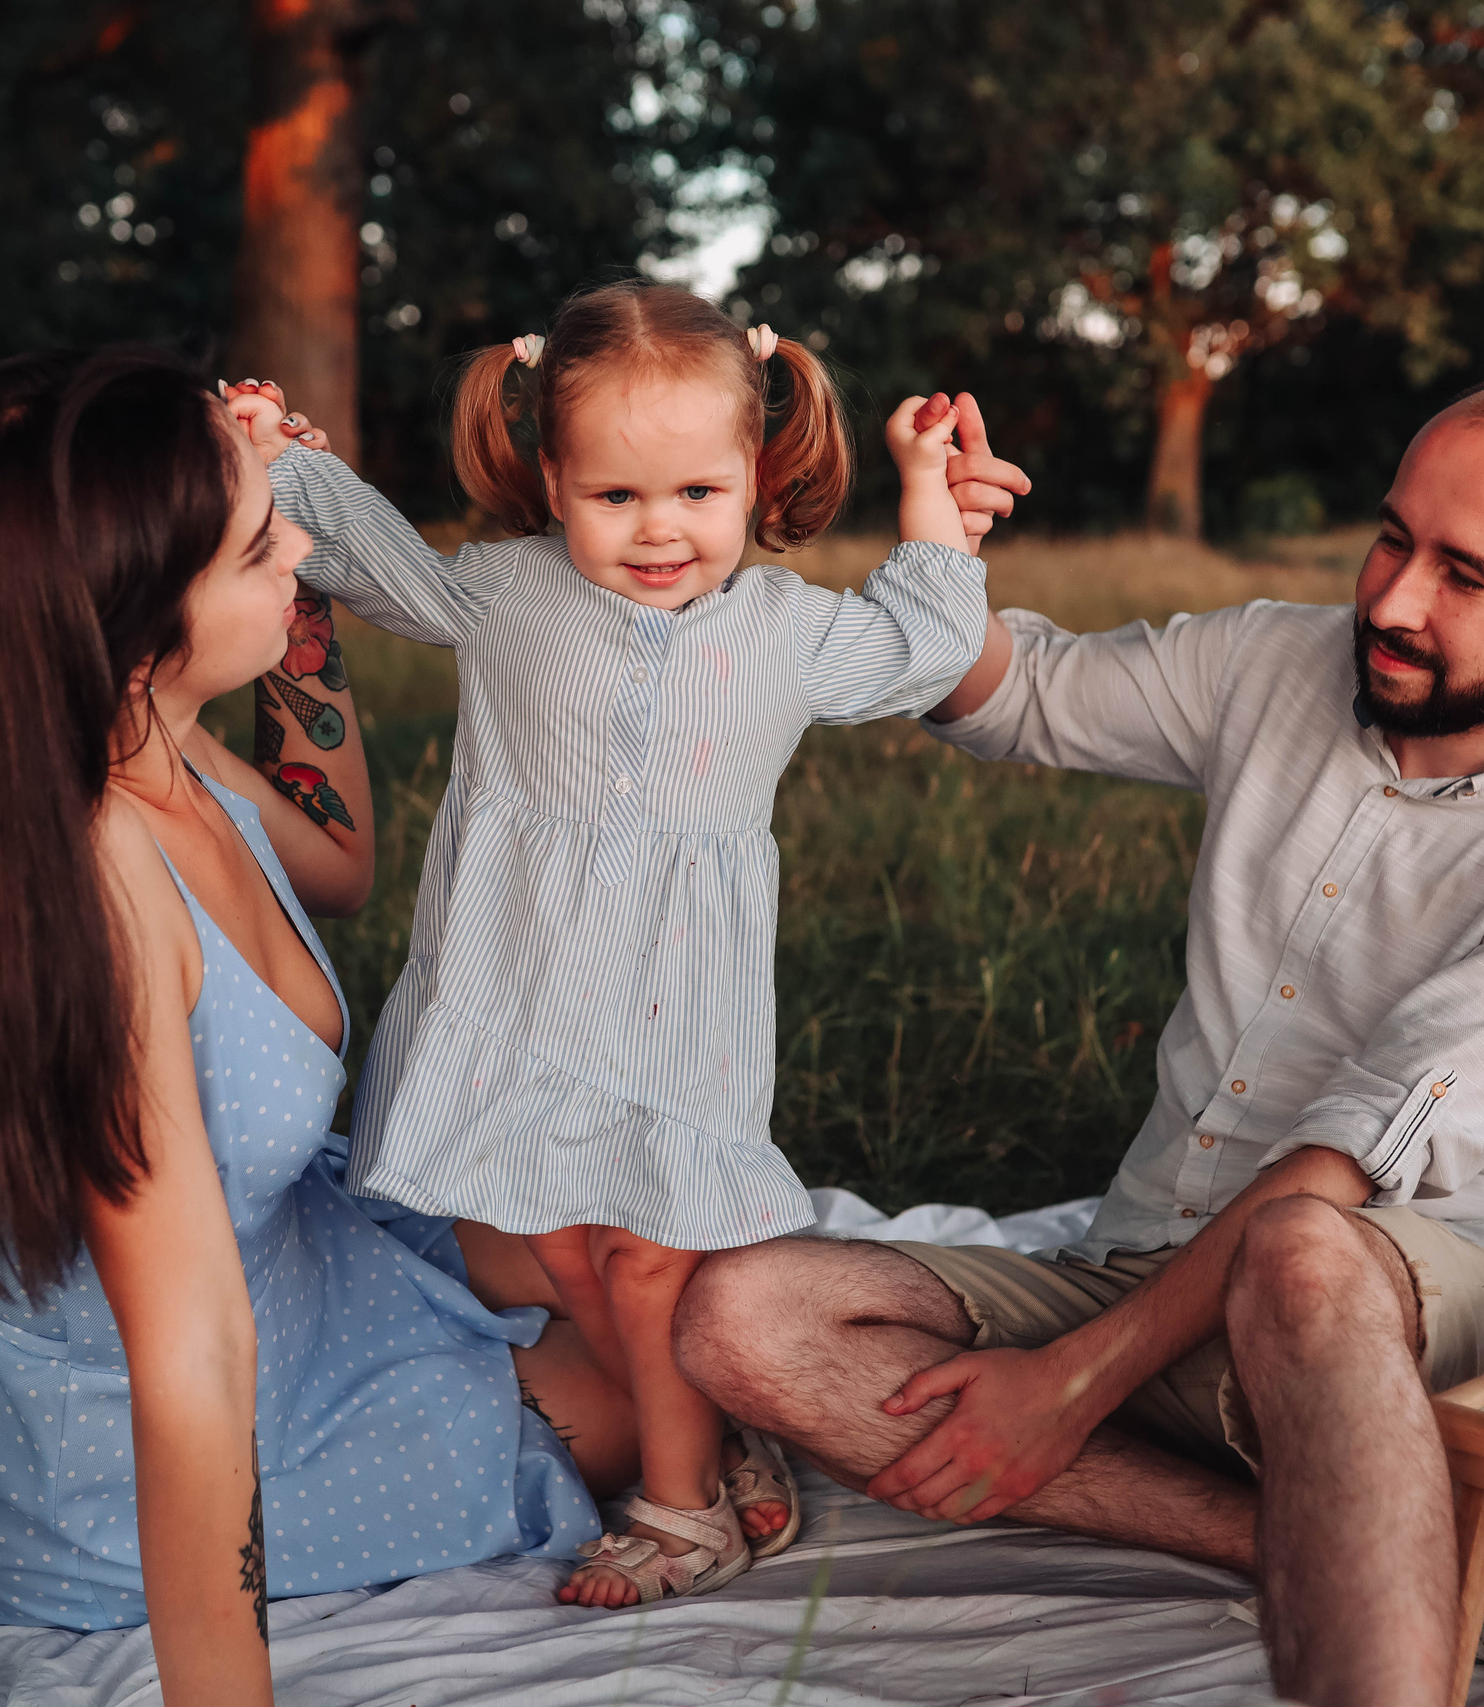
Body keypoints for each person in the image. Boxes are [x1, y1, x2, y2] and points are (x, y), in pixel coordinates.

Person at [674, 371, 1484, 1707]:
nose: (1390, 600)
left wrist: (1065, 1386)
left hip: (1402, 1305)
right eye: (1393, 536)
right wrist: (936, 553)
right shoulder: (1284, 658)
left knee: (1302, 1257)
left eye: (1466, 575)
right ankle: (1317, 1539)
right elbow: (1014, 694)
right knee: (742, 1318)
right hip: (1146, 1260)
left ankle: (1355, 1550)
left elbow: (1344, 1164)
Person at [0, 349, 629, 1707]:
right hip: (116, 1462)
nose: (301, 539)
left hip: (297, 1276)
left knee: (645, 1249)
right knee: (657, 1389)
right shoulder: (95, 883)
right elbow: (188, 1353)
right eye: (258, 546)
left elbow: (342, 863)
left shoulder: (142, 734)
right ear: (131, 627)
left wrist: (283, 592)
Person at [247, 279, 994, 1606]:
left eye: (700, 495)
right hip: (515, 985)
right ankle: (707, 1427)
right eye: (618, 499)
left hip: (671, 1008)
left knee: (647, 1252)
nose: (662, 534)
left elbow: (925, 646)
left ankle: (683, 1506)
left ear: (755, 474)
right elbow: (380, 568)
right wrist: (283, 457)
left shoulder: (785, 630)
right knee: (551, 1252)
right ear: (551, 476)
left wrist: (930, 498)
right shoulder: (502, 595)